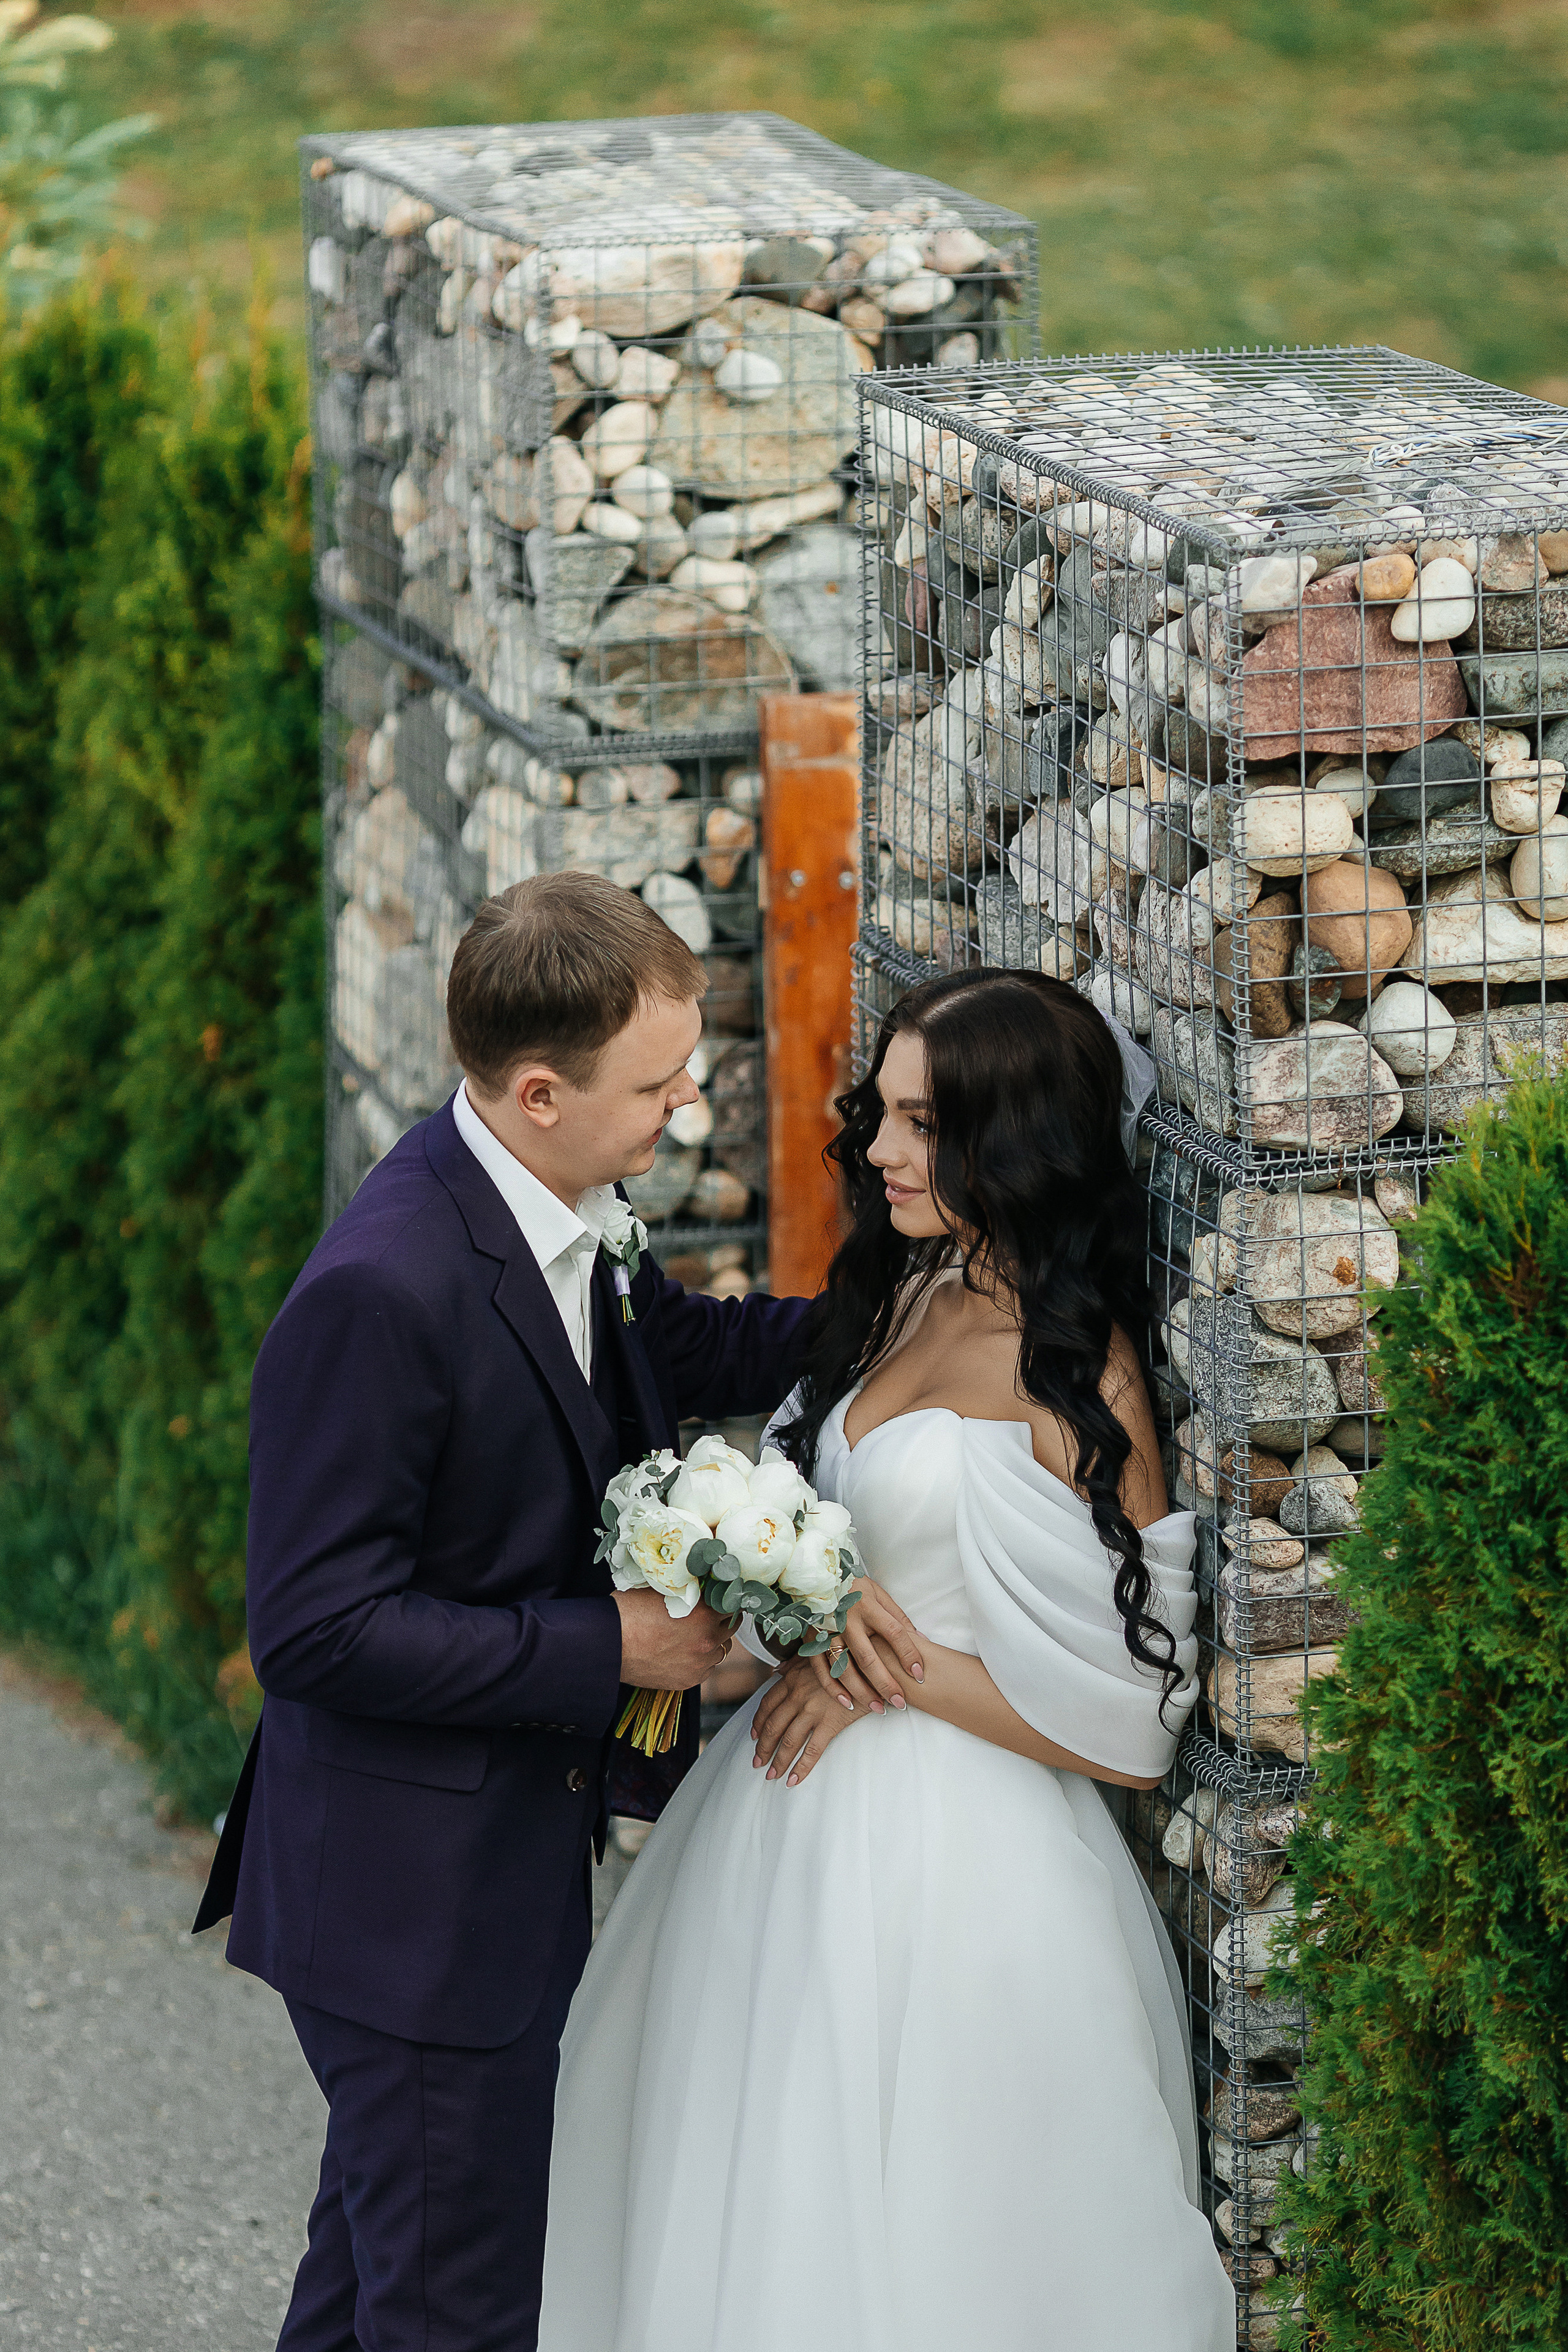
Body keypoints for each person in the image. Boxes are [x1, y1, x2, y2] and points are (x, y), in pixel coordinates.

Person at [191, 873, 909, 2352]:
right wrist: (617, 1650)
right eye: (655, 1084)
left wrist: (913, 1310)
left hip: (477, 1880)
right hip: (409, 1908)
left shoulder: (556, 1199)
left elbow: (679, 1344)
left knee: (374, 2285)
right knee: (458, 2311)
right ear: (535, 1091)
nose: (682, 1106)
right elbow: (314, 1628)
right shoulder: (382, 1293)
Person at [538, 965, 1237, 2351]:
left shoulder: (1076, 1375)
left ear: (1009, 1141)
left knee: (940, 2245)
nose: (876, 1149)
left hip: (961, 1885)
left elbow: (1135, 1727)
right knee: (751, 2200)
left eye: (919, 1125)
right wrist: (785, 1604)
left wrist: (875, 1673)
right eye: (883, 1114)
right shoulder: (910, 1291)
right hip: (774, 1839)